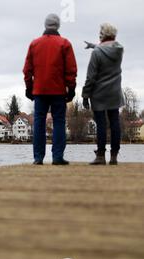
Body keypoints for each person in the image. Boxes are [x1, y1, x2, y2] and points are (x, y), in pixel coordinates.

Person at [23, 14, 78, 165]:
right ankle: (57, 156)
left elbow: (27, 69)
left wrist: (29, 87)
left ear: (45, 26)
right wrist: (71, 88)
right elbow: (71, 69)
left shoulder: (34, 44)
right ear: (58, 26)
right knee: (59, 121)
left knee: (39, 122)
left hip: (39, 90)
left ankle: (38, 158)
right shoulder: (64, 44)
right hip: (58, 90)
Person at [82, 23, 124, 165]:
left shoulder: (97, 53)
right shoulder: (119, 50)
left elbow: (91, 77)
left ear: (102, 35)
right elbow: (107, 49)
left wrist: (85, 95)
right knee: (115, 123)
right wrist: (94, 45)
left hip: (99, 94)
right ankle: (114, 156)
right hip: (115, 92)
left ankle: (100, 156)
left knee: (101, 124)